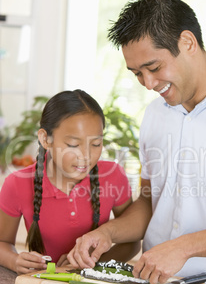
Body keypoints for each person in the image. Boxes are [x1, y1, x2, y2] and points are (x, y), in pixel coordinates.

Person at [67, 0, 206, 284]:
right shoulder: (155, 114)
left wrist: (184, 246)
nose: (148, 83)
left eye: (154, 67)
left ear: (187, 42)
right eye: (137, 74)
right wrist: (109, 233)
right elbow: (150, 204)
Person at [0, 89, 140, 274]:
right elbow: (2, 243)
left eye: (96, 144)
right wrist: (15, 260)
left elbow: (131, 242)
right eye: (73, 145)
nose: (87, 156)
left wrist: (89, 265)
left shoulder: (113, 176)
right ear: (45, 139)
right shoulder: (17, 183)